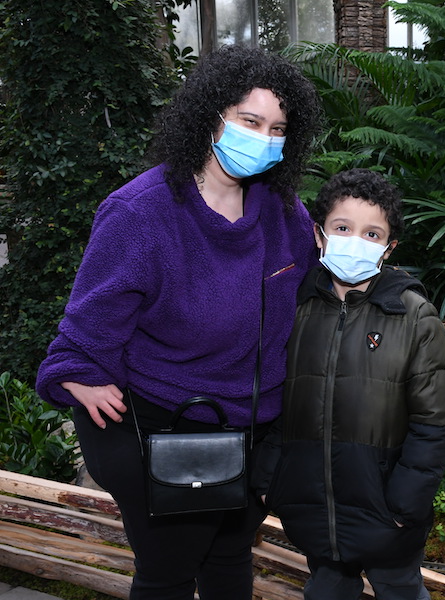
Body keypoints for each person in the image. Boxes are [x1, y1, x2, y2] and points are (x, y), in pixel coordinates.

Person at [35, 45, 321, 600]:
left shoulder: (286, 216)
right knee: (169, 573)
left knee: (231, 558)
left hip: (253, 428)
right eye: (249, 120)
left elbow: (319, 297)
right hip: (163, 430)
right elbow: (85, 330)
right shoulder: (141, 213)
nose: (264, 138)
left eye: (278, 128)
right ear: (210, 116)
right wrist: (75, 374)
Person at [252, 168, 445, 600]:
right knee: (326, 589)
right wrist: (272, 480)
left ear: (389, 247)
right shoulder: (295, 308)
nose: (354, 240)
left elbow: (433, 424)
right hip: (311, 505)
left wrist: (404, 505)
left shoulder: (415, 316)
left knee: (400, 588)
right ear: (319, 234)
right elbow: (276, 400)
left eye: (372, 233)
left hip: (386, 510)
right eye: (342, 228)